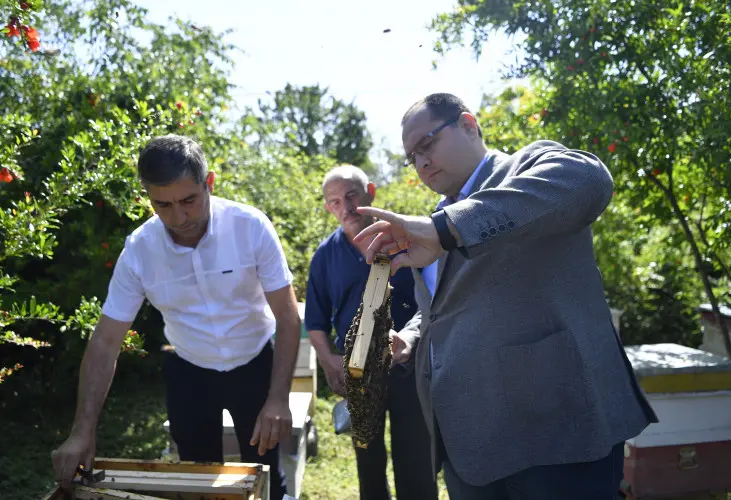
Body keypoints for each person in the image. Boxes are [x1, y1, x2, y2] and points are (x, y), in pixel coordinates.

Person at [353, 93, 659, 500]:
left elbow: (591, 180)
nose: (421, 162)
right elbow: (444, 307)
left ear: (467, 124)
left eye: (426, 144)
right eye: (412, 157)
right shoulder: (434, 222)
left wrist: (447, 229)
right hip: (469, 447)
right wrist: (409, 337)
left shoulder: (527, 167)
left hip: (555, 439)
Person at [50, 134, 300, 500]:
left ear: (208, 183)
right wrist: (82, 430)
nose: (178, 217)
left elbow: (288, 316)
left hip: (255, 365)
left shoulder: (251, 226)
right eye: (161, 205)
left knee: (265, 475)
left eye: (188, 201)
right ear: (147, 198)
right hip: (190, 372)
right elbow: (105, 343)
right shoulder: (139, 250)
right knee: (198, 481)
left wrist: (278, 399)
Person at [304, 164, 438, 500]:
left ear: (371, 193)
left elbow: (435, 299)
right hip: (359, 374)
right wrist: (329, 361)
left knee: (416, 461)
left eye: (351, 196)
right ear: (327, 208)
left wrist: (409, 338)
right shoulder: (325, 256)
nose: (345, 208)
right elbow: (315, 320)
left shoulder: (408, 239)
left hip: (409, 366)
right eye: (335, 201)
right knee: (368, 460)